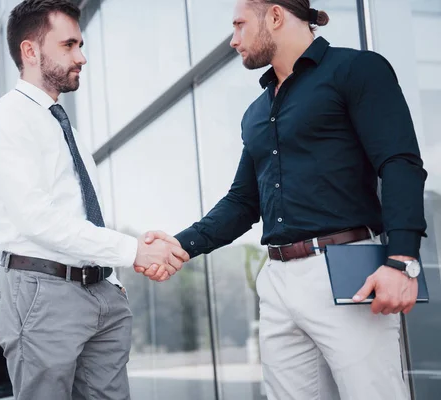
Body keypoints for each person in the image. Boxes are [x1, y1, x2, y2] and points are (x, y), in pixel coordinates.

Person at [143, 0, 427, 398]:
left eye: (240, 25)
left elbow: (399, 162)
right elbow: (243, 201)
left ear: (275, 17)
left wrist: (402, 260)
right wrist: (180, 245)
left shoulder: (356, 70)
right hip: (277, 279)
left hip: (348, 268)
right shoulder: (257, 113)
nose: (233, 40)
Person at [0, 1, 189, 399]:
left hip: (99, 290)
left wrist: (113, 277)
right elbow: (36, 219)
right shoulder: (5, 120)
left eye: (81, 44)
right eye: (69, 45)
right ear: (30, 51)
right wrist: (131, 251)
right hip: (42, 291)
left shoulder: (62, 123)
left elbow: (82, 214)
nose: (82, 57)